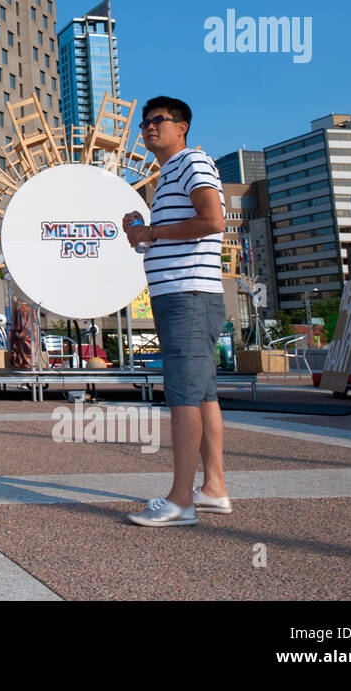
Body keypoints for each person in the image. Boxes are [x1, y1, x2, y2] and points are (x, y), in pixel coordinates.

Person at [122, 96, 231, 528]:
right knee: (203, 395)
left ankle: (180, 500)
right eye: (145, 123)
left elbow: (212, 220)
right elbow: (177, 234)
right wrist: (141, 231)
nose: (148, 127)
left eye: (158, 121)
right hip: (183, 295)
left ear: (181, 127)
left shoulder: (192, 163)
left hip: (188, 296)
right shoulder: (169, 174)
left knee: (183, 396)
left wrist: (150, 230)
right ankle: (214, 488)